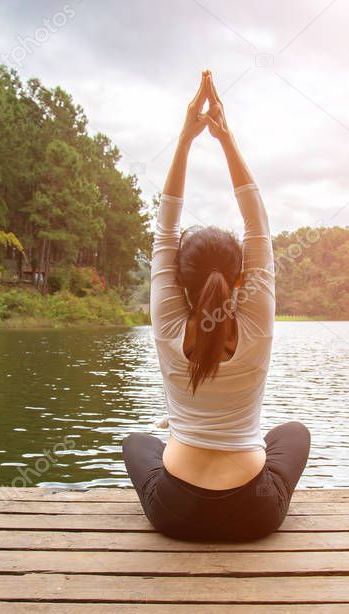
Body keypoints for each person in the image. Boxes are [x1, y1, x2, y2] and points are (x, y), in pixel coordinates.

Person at [122, 71, 311, 541]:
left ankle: (183, 436)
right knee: (293, 434)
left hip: (175, 513)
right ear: (241, 277)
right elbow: (259, 227)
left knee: (136, 441)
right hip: (254, 514)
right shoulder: (257, 324)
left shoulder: (167, 322)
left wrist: (185, 139)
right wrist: (226, 139)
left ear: (178, 281)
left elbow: (166, 227)